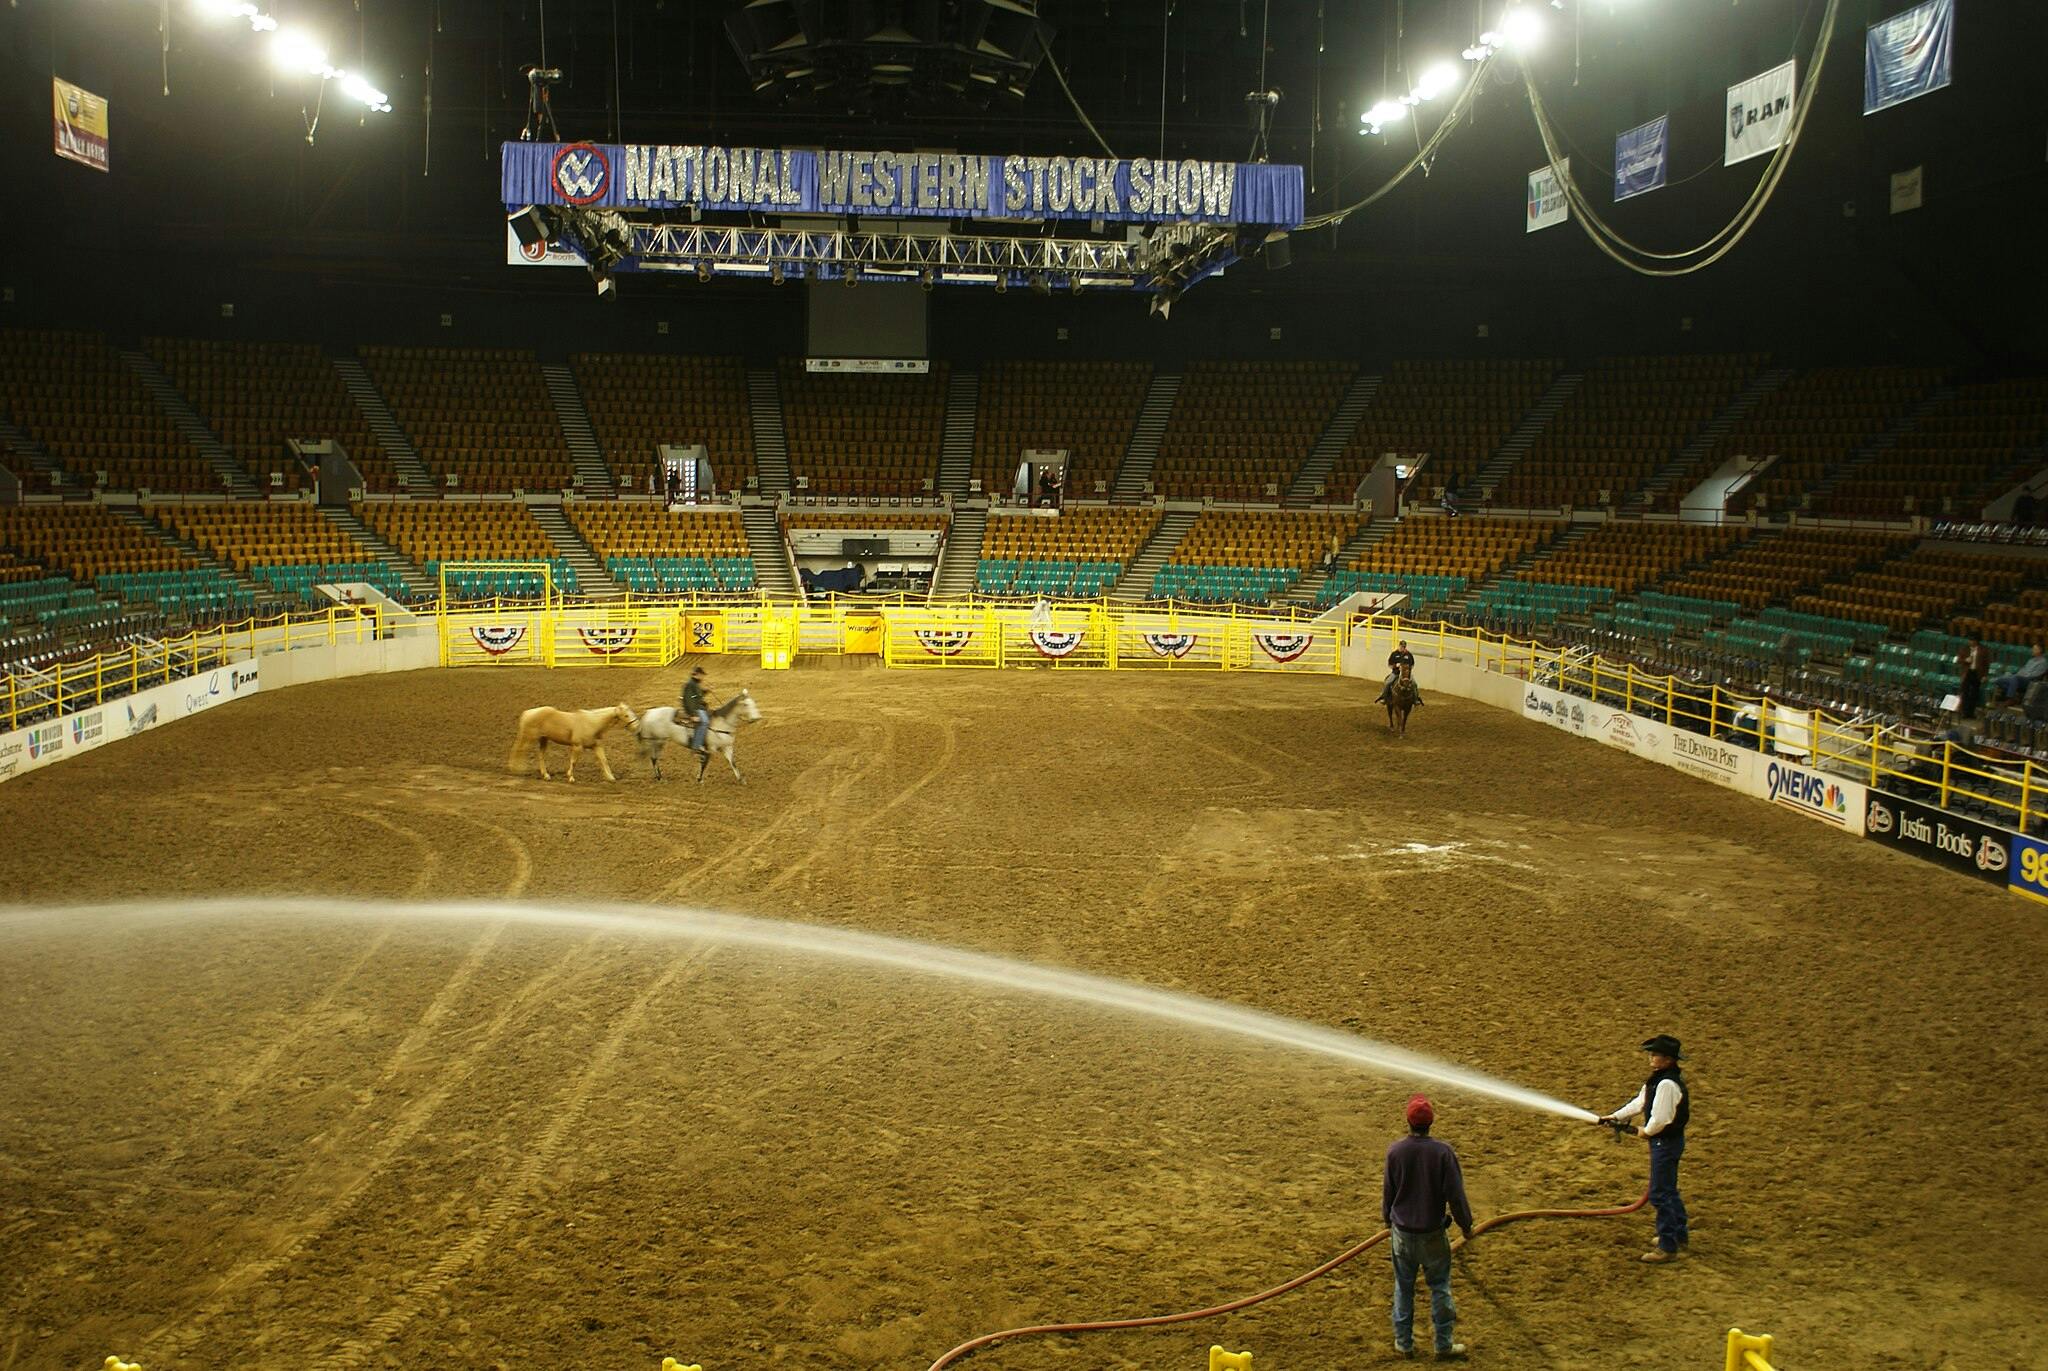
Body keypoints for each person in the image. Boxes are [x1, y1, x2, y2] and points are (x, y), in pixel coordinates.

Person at [1383, 1093, 1473, 1361]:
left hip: (1402, 1234)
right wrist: (1466, 1226)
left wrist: (1388, 1220)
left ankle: (1403, 1343)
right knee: (1440, 1287)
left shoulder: (1396, 1151)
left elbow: (1389, 1191)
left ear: (1408, 1121)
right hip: (1433, 1233)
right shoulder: (1443, 1153)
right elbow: (1456, 1195)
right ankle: (1443, 1344)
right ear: (1431, 1122)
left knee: (1403, 1287)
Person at [1594, 1034, 1691, 1264]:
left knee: (1660, 1194)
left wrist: (1645, 1131)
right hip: (1666, 1143)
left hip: (1664, 1143)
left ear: (1668, 1059)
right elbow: (1640, 1103)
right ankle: (1679, 1235)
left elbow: (1660, 1119)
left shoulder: (1666, 1084)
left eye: (1655, 1054)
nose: (1651, 1057)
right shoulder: (1659, 1080)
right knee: (1669, 1190)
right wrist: (1615, 1116)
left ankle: (1667, 1246)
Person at [680, 665, 715, 756]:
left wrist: (707, 691)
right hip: (694, 709)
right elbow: (688, 700)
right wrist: (693, 715)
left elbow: (698, 695)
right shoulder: (690, 684)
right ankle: (696, 746)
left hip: (698, 707)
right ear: (697, 675)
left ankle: (704, 740)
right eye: (702, 675)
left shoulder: (695, 684)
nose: (703, 678)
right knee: (704, 722)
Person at [1378, 640, 1420, 707]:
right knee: (1388, 682)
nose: (1402, 648)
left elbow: (1412, 665)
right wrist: (1395, 666)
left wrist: (1407, 668)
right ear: (1399, 646)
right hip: (1396, 673)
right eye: (1401, 646)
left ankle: (1416, 699)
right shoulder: (1394, 654)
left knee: (1414, 684)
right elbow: (1389, 664)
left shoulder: (1409, 655)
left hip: (1406, 674)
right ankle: (1384, 697)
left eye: (1403, 647)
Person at [1957, 636, 1989, 717]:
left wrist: (1985, 675)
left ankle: (1970, 713)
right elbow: (1958, 660)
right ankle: (1964, 712)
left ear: (1976, 641)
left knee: (1974, 694)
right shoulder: (1965, 649)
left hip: (1977, 673)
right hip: (1967, 673)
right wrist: (1965, 660)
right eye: (1970, 640)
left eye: (1972, 640)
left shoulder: (1983, 650)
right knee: (1965, 693)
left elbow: (1986, 664)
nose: (1970, 642)